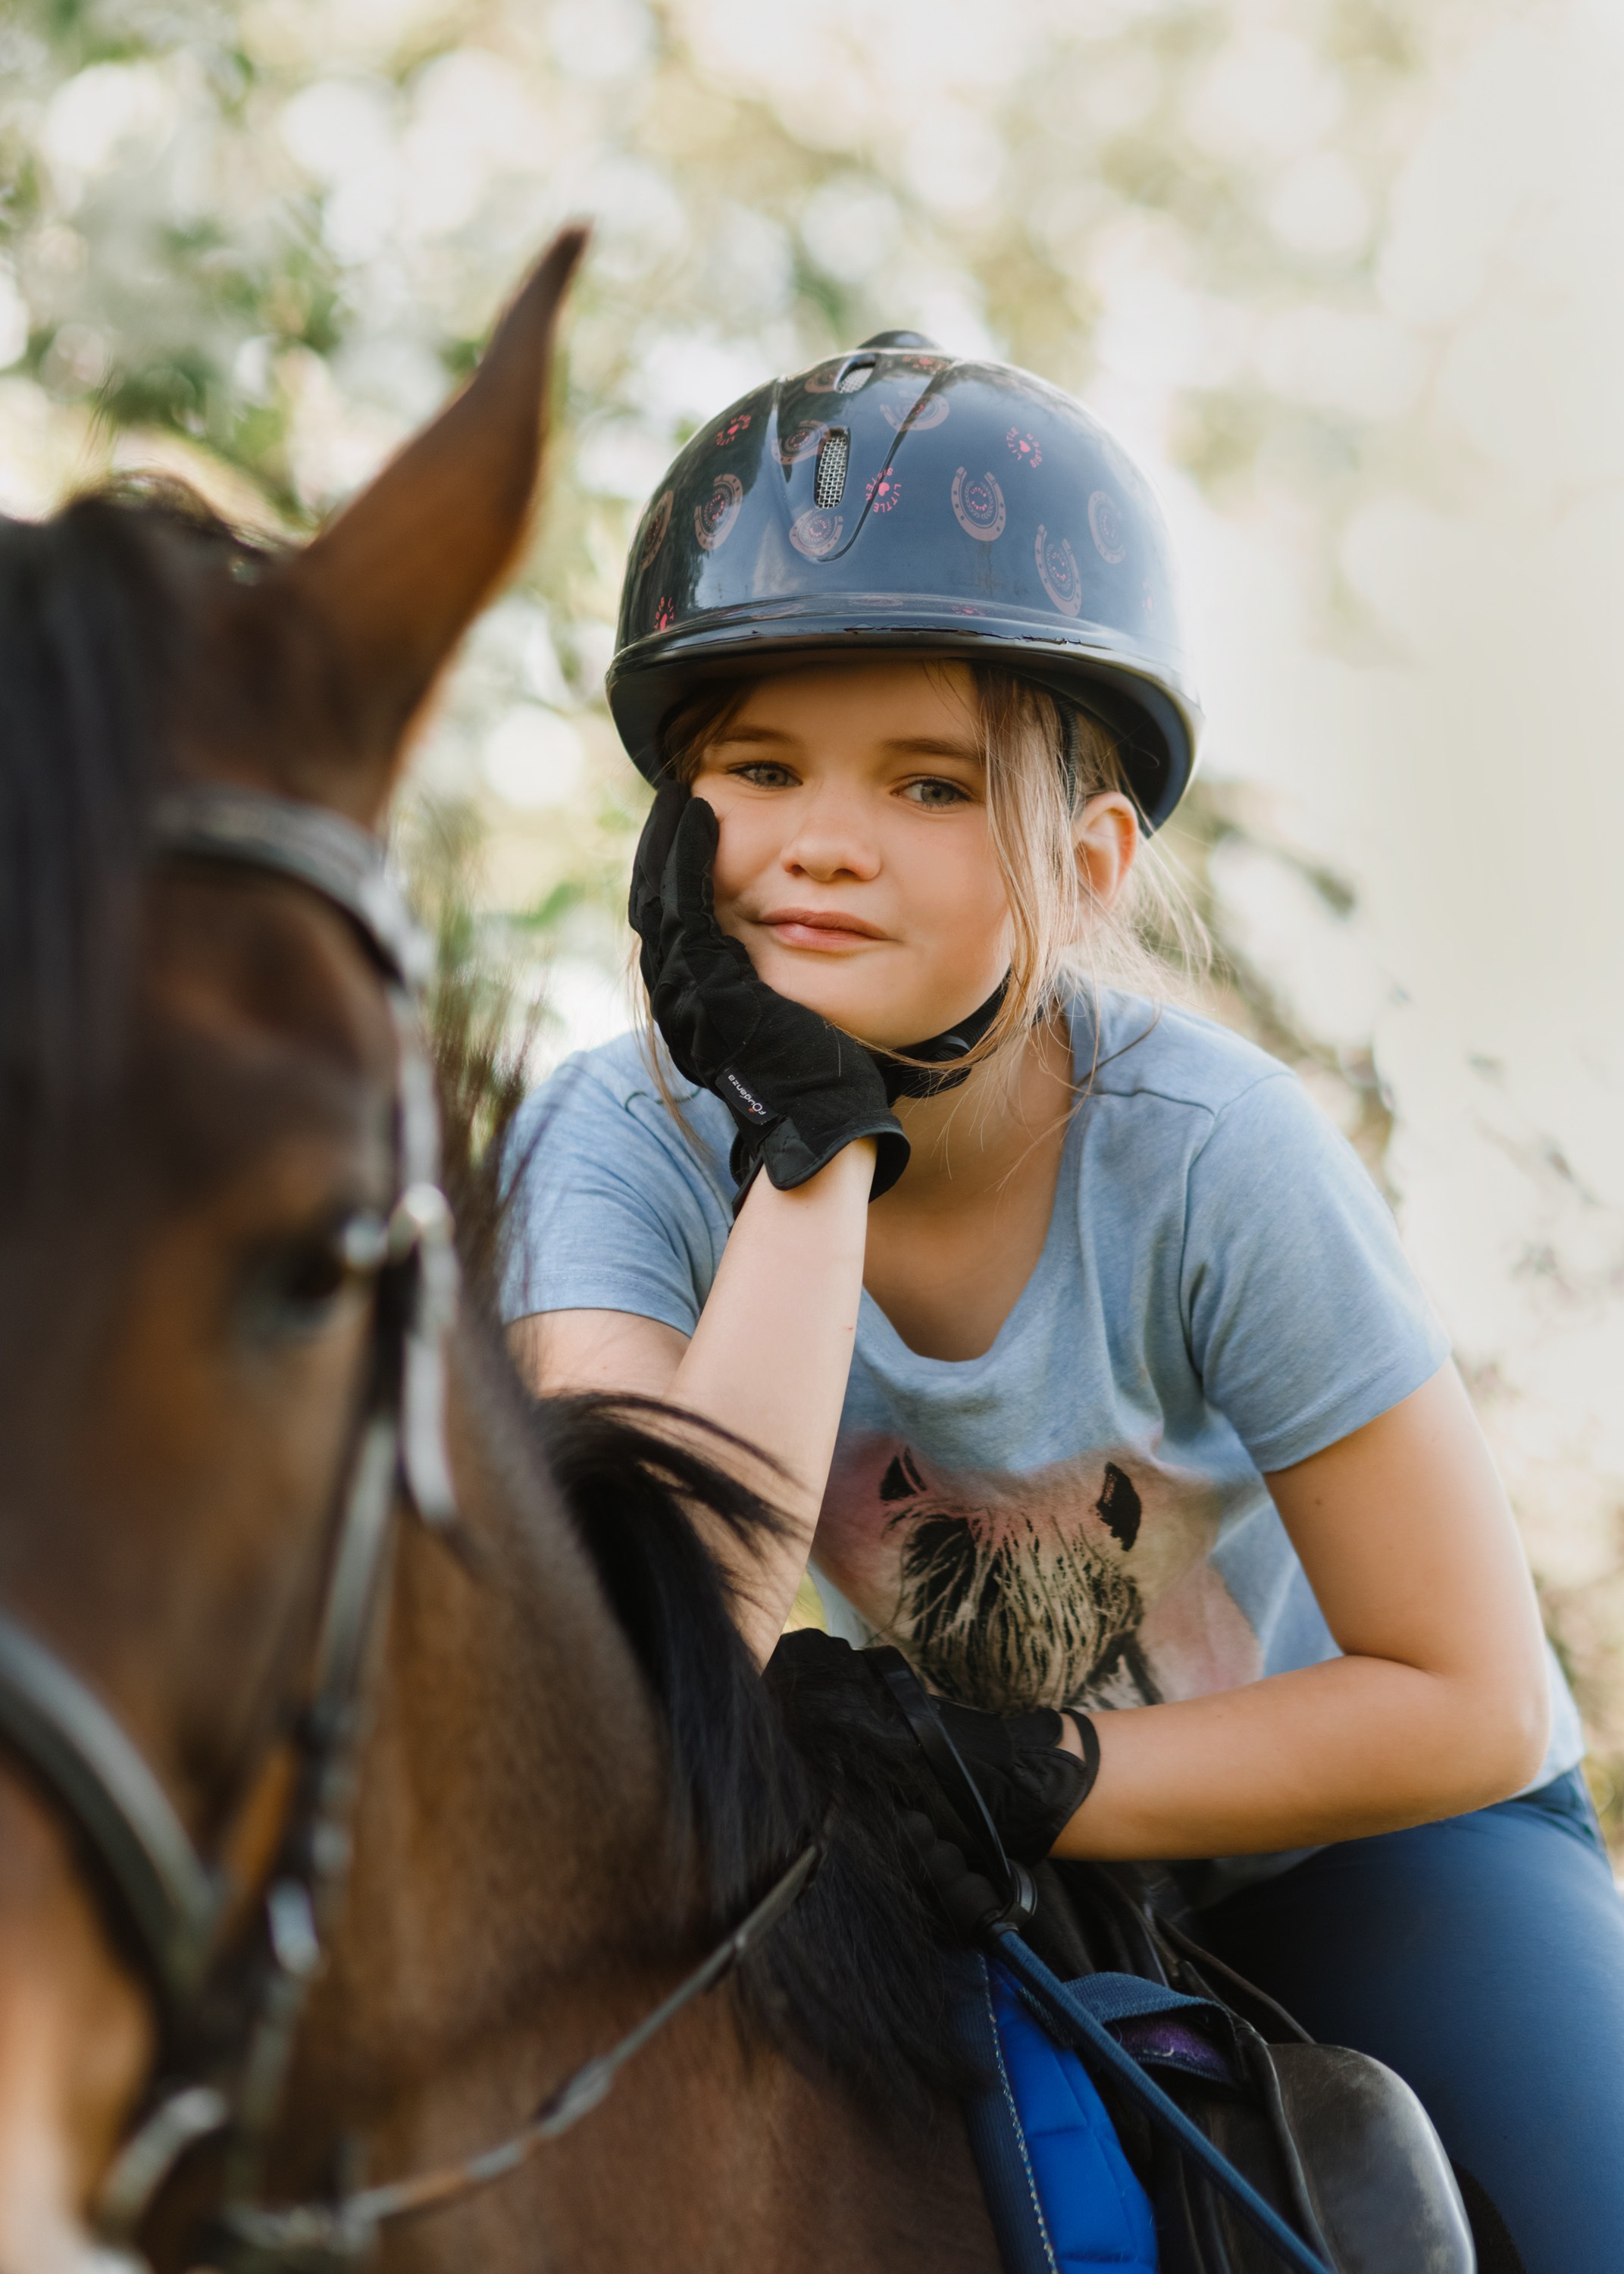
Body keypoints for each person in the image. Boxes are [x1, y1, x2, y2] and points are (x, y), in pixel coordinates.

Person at [503, 334, 1624, 2272]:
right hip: (904, 1855)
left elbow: (1461, 1693)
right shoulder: (606, 1146)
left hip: (1357, 1837)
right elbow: (676, 1627)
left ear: (1088, 863)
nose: (827, 838)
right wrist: (811, 1148)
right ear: (674, 832)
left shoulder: (1213, 1155)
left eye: (927, 784)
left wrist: (1046, 1774)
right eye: (759, 770)